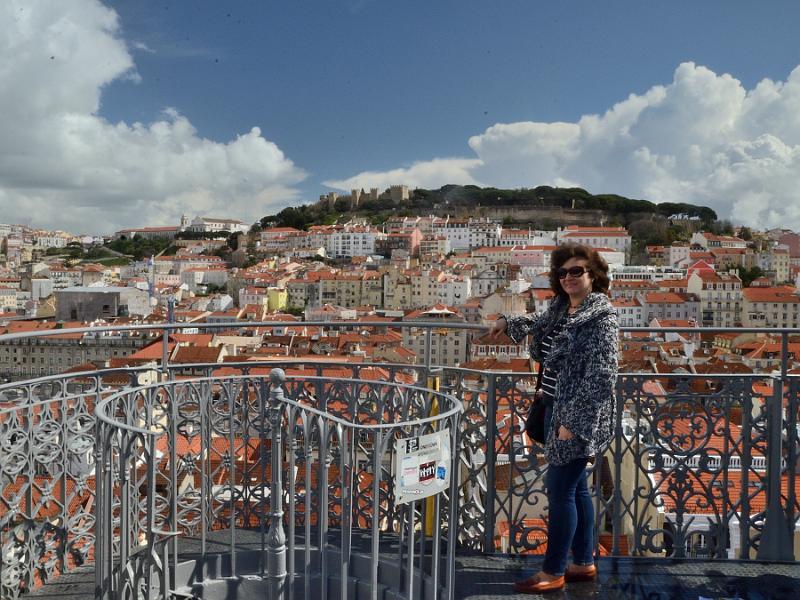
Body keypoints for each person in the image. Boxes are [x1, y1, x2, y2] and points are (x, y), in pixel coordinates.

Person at [488, 243, 619, 594]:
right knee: (576, 490)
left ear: (594, 276)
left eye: (577, 271)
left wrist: (572, 423)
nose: (568, 278)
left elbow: (602, 377)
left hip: (575, 417)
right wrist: (507, 322)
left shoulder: (601, 319)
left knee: (560, 491)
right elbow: (538, 321)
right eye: (562, 273)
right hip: (551, 407)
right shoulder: (562, 309)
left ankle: (553, 570)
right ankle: (583, 563)